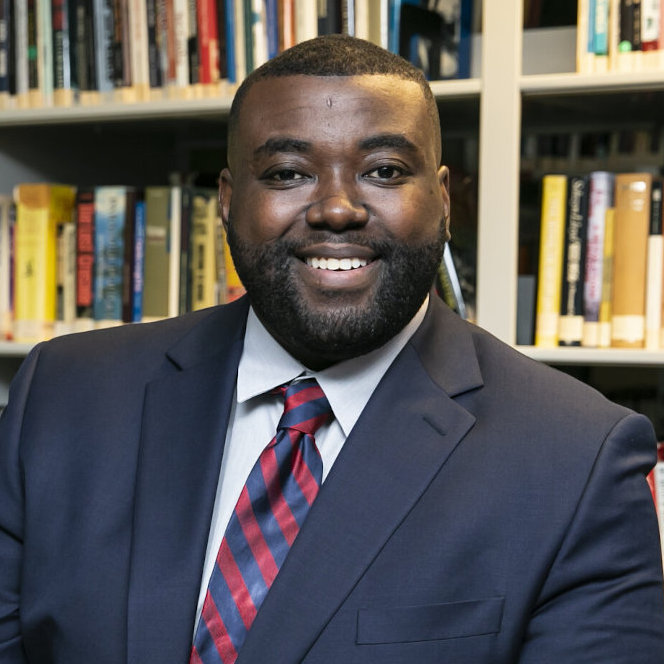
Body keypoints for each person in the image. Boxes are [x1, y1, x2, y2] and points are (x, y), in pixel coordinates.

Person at [0, 34, 663, 664]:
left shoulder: (577, 459)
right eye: (288, 172)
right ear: (227, 203)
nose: (337, 209)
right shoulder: (64, 398)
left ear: (442, 199)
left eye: (383, 170)